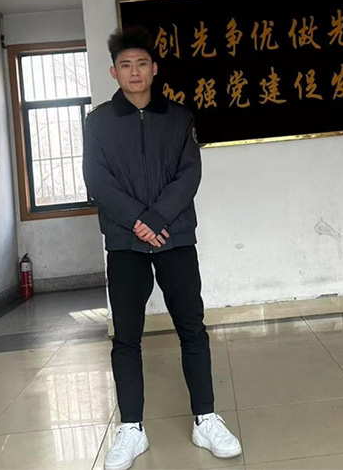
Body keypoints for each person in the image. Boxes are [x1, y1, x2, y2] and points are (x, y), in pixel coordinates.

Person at [83, 26, 242, 470]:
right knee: (126, 337)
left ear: (155, 69)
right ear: (114, 72)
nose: (134, 72)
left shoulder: (179, 118)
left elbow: (189, 175)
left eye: (142, 64)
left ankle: (205, 419)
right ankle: (132, 429)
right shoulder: (98, 123)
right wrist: (139, 221)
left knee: (192, 328)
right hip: (125, 243)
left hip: (175, 238)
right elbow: (98, 181)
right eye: (126, 65)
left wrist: (155, 221)